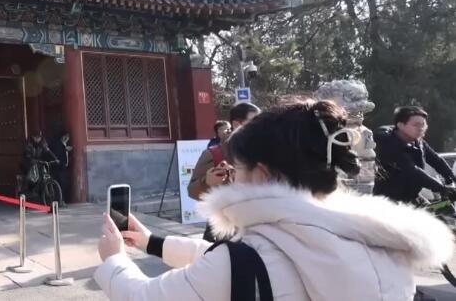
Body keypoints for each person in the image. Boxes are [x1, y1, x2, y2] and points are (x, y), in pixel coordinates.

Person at [95, 100, 454, 300]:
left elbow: (144, 296)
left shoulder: (243, 260)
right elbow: (251, 258)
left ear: (261, 174)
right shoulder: (376, 239)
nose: (234, 178)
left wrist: (114, 259)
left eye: (238, 169)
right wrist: (151, 242)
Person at [187, 102, 260, 241]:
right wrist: (207, 182)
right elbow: (192, 190)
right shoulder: (214, 154)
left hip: (258, 229)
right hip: (228, 232)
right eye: (254, 122)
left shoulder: (262, 152)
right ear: (237, 124)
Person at [373, 106, 456, 205]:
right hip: (389, 199)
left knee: (438, 212)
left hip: (412, 195)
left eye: (423, 124)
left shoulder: (418, 142)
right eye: (416, 125)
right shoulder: (388, 143)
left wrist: (451, 179)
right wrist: (442, 188)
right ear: (400, 125)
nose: (421, 128)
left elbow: (437, 160)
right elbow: (412, 170)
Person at [19, 130, 58, 196]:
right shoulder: (28, 144)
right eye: (36, 137)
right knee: (32, 176)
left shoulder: (43, 143)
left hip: (38, 162)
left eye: (39, 137)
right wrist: (34, 161)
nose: (38, 139)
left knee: (44, 172)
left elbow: (48, 151)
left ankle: (41, 190)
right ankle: (26, 190)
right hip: (28, 162)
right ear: (33, 137)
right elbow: (27, 156)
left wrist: (55, 159)